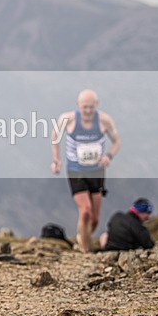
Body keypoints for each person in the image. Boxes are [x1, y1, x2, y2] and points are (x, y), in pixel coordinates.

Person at [50, 89, 121, 253]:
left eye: (91, 107)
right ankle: (86, 250)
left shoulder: (104, 120)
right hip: (76, 170)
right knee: (86, 210)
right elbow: (55, 137)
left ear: (96, 105)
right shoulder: (67, 119)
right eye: (84, 107)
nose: (88, 111)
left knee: (95, 218)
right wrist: (56, 160)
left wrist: (108, 156)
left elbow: (117, 143)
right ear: (78, 105)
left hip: (97, 171)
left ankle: (82, 237)